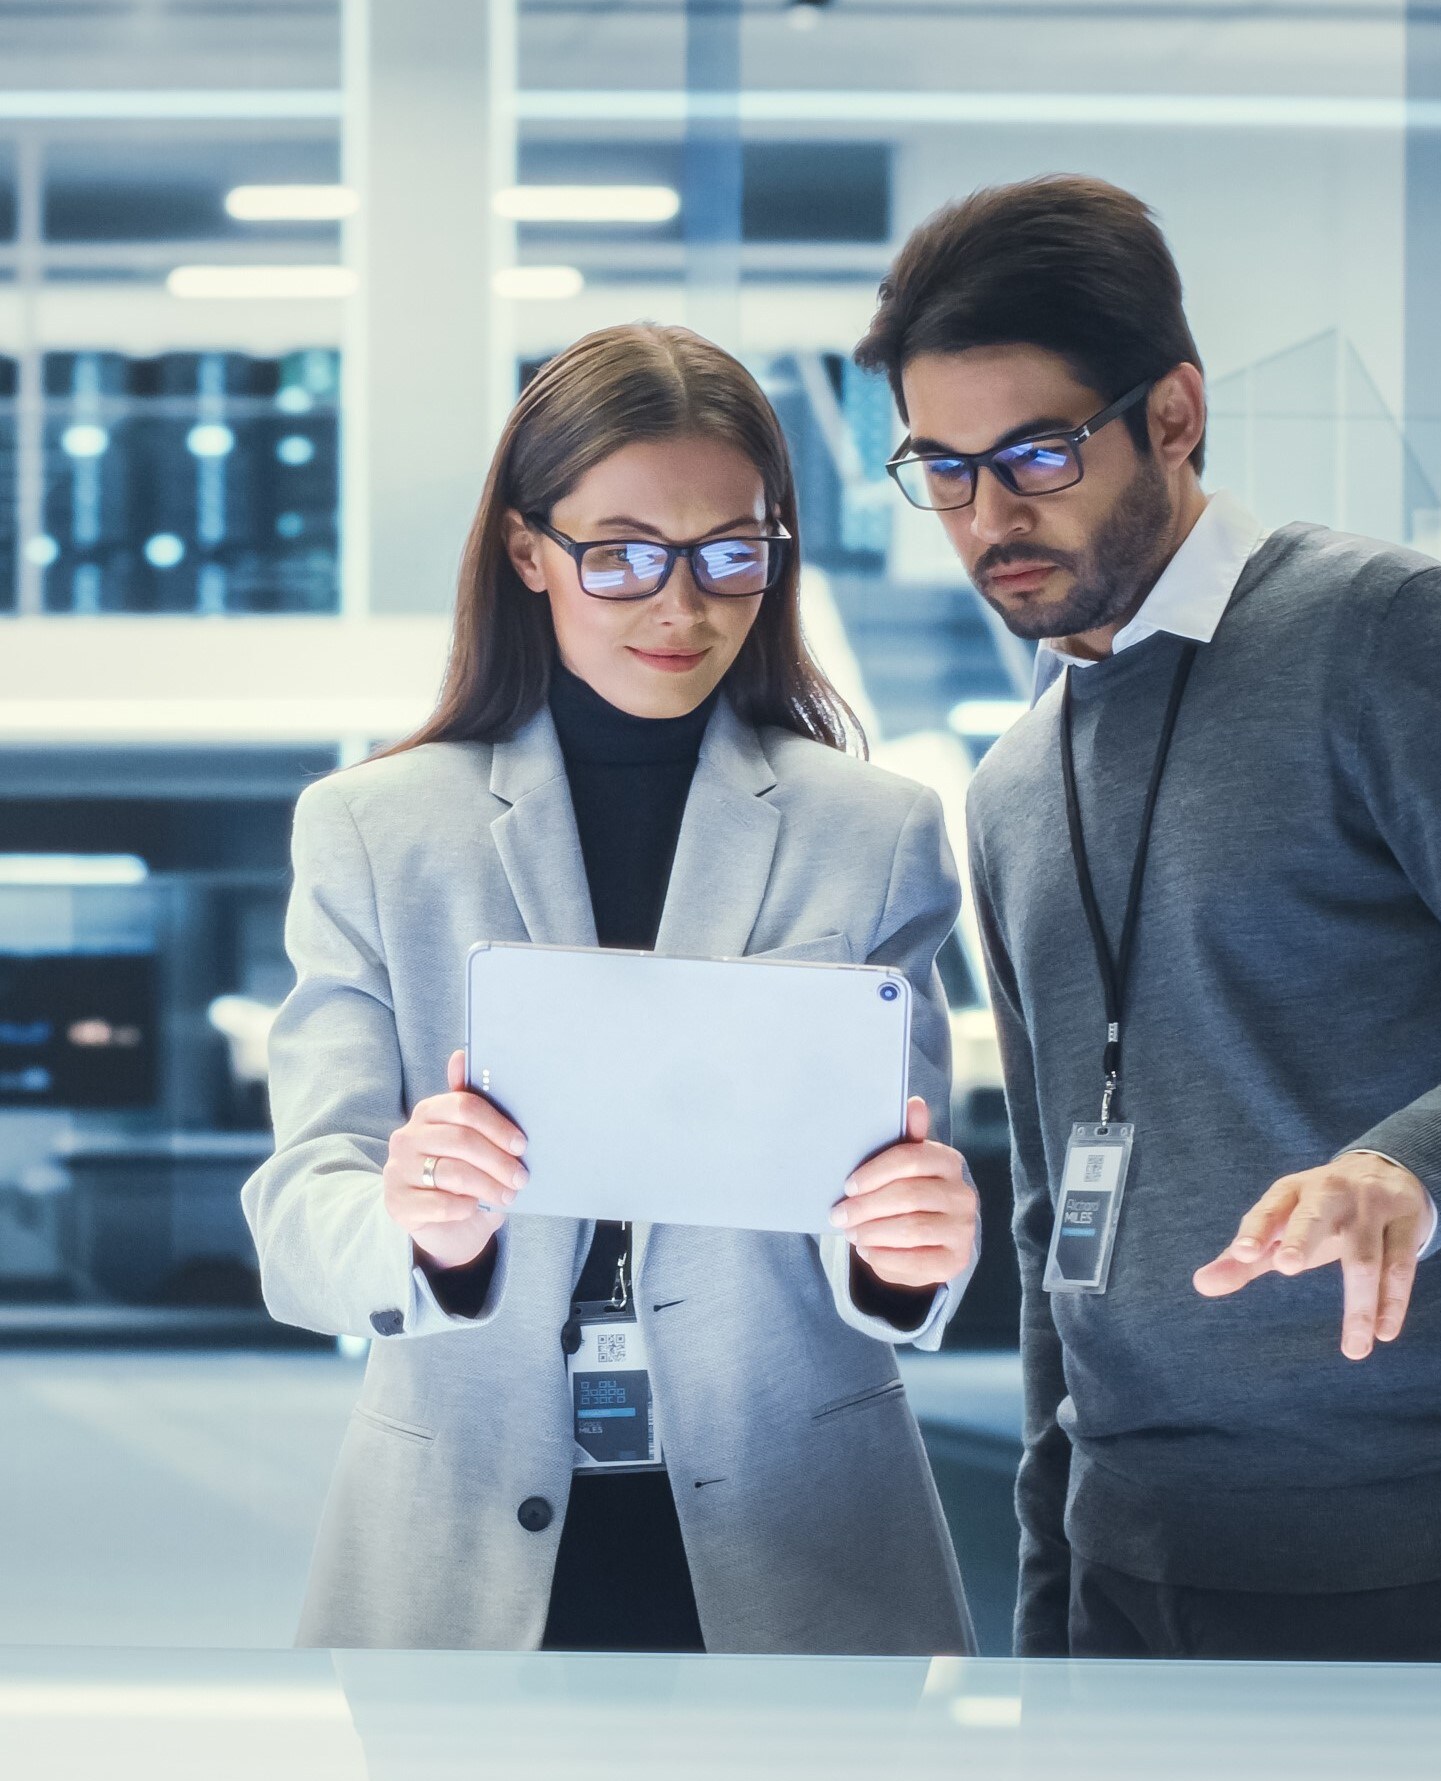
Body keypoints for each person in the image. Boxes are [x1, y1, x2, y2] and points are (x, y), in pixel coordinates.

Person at [854, 175, 1441, 1663]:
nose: (991, 516)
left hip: (1435, 1555)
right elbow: (1066, 1221)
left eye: (1038, 453)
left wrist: (1412, 1168)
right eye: (944, 469)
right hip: (1132, 1570)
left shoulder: (1386, 635)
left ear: (1174, 414)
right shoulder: (1005, 787)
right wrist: (1054, 1601)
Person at [243, 323, 979, 1656]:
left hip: (801, 1535)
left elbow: (887, 1219)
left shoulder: (873, 831)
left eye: (731, 555)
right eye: (624, 553)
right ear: (529, 551)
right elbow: (301, 1219)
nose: (682, 606)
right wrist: (418, 1222)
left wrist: (906, 1244)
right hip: (457, 1546)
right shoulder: (374, 831)